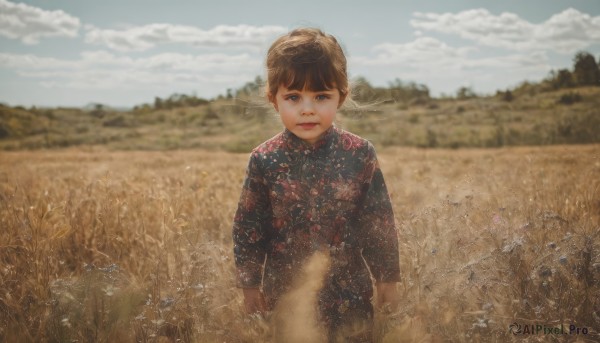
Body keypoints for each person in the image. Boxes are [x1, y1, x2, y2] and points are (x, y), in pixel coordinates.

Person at [232, 27, 400, 342]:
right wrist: (250, 287)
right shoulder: (264, 160)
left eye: (321, 96)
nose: (307, 108)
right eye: (293, 97)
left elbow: (379, 222)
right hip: (286, 297)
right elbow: (249, 227)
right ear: (273, 100)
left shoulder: (359, 153)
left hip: (350, 297)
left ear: (341, 97)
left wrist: (387, 282)